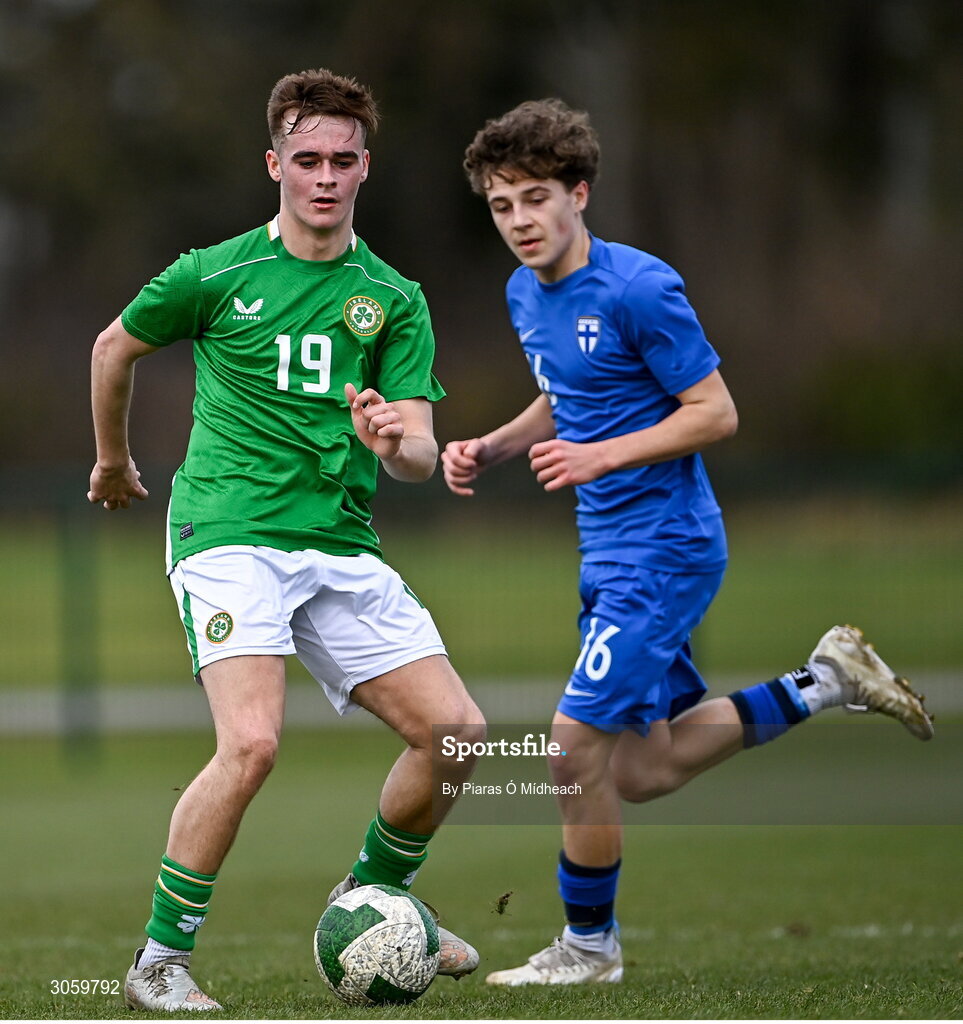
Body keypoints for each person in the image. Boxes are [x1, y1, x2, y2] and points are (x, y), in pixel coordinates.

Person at [442, 98, 934, 987]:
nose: (518, 221)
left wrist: (601, 456)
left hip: (665, 546)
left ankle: (589, 951)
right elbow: (568, 389)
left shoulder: (640, 287)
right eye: (500, 204)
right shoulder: (524, 292)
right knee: (643, 768)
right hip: (608, 551)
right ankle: (825, 680)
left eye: (534, 199)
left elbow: (714, 412)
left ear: (579, 193)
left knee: (569, 750)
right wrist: (497, 443)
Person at [89, 68, 484, 1012]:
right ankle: (159, 963)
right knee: (253, 744)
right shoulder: (214, 273)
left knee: (460, 736)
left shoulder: (391, 297)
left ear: (364, 169)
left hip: (339, 544)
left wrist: (397, 440)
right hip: (228, 534)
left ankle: (373, 893)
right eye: (305, 158)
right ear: (274, 163)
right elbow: (112, 348)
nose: (323, 176)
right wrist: (112, 461)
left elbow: (419, 454)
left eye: (341, 160)